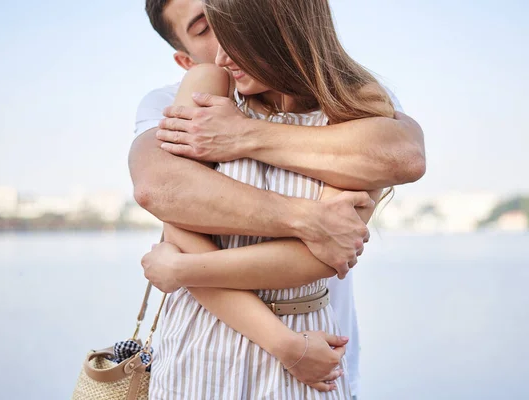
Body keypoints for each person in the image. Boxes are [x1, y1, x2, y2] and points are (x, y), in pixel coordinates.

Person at [130, 1, 426, 398]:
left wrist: (183, 271)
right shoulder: (199, 91)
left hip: (313, 353)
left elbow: (321, 257)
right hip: (199, 349)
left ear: (275, 23)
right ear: (183, 57)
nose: (220, 50)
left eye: (229, 27)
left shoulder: (348, 102)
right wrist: (284, 343)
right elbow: (170, 206)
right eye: (206, 27)